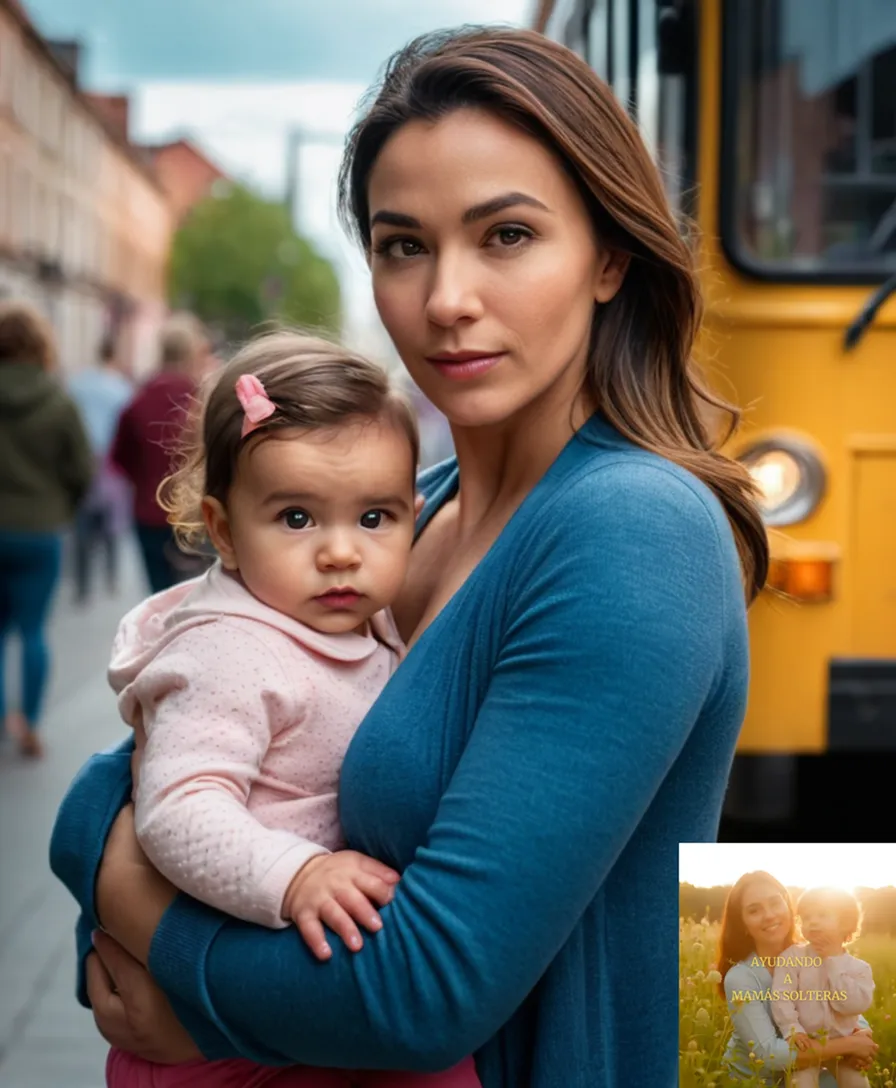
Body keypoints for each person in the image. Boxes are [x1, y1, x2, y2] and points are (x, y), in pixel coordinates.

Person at [52, 27, 770, 1086]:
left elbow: (424, 992)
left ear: (610, 257)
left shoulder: (631, 528)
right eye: (403, 245)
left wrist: (176, 970)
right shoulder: (406, 512)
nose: (445, 300)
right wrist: (103, 851)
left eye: (507, 235)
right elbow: (136, 767)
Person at [104, 330, 477, 1088]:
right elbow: (178, 808)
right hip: (228, 1045)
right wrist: (295, 874)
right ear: (223, 531)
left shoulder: (358, 623)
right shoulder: (234, 651)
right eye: (298, 518)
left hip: (290, 996)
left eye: (374, 519)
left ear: (412, 516)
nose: (341, 552)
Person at [0, 299, 93, 757]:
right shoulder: (58, 401)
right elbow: (83, 471)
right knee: (34, 631)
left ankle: (2, 718)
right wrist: (61, 507)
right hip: (40, 531)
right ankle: (31, 723)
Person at [718, 872, 878, 1086]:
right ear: (743, 924)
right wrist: (850, 1045)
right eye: (754, 910)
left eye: (775, 903)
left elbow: (843, 1006)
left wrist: (862, 1034)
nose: (769, 915)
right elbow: (769, 1054)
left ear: (788, 906)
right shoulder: (741, 978)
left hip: (813, 1064)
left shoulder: (816, 953)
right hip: (757, 1079)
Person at [112, 313, 212, 594]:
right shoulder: (202, 402)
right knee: (197, 596)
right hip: (195, 514)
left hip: (148, 511)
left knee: (159, 595)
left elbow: (119, 458)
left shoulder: (138, 400)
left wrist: (145, 481)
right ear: (194, 352)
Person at [770, 887, 874, 1088]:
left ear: (845, 923)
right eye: (806, 917)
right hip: (807, 1044)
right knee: (800, 1083)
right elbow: (781, 997)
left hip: (844, 1048)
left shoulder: (860, 969)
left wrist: (833, 961)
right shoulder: (792, 957)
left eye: (822, 915)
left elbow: (852, 1006)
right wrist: (792, 1029)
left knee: (857, 1083)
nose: (813, 922)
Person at [68, 335, 133, 604]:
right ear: (114, 356)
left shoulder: (78, 384)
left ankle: (83, 585)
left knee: (82, 524)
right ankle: (111, 576)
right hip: (111, 463)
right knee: (113, 523)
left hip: (83, 458)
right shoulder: (121, 388)